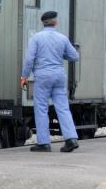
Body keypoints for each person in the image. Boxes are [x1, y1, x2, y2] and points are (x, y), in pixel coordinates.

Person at [20, 10, 80, 153]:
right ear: (55, 23)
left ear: (43, 23)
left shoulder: (36, 38)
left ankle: (44, 143)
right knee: (63, 107)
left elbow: (29, 60)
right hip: (59, 75)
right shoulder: (62, 38)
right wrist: (60, 55)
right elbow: (75, 56)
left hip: (43, 76)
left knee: (41, 108)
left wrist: (24, 77)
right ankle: (71, 139)